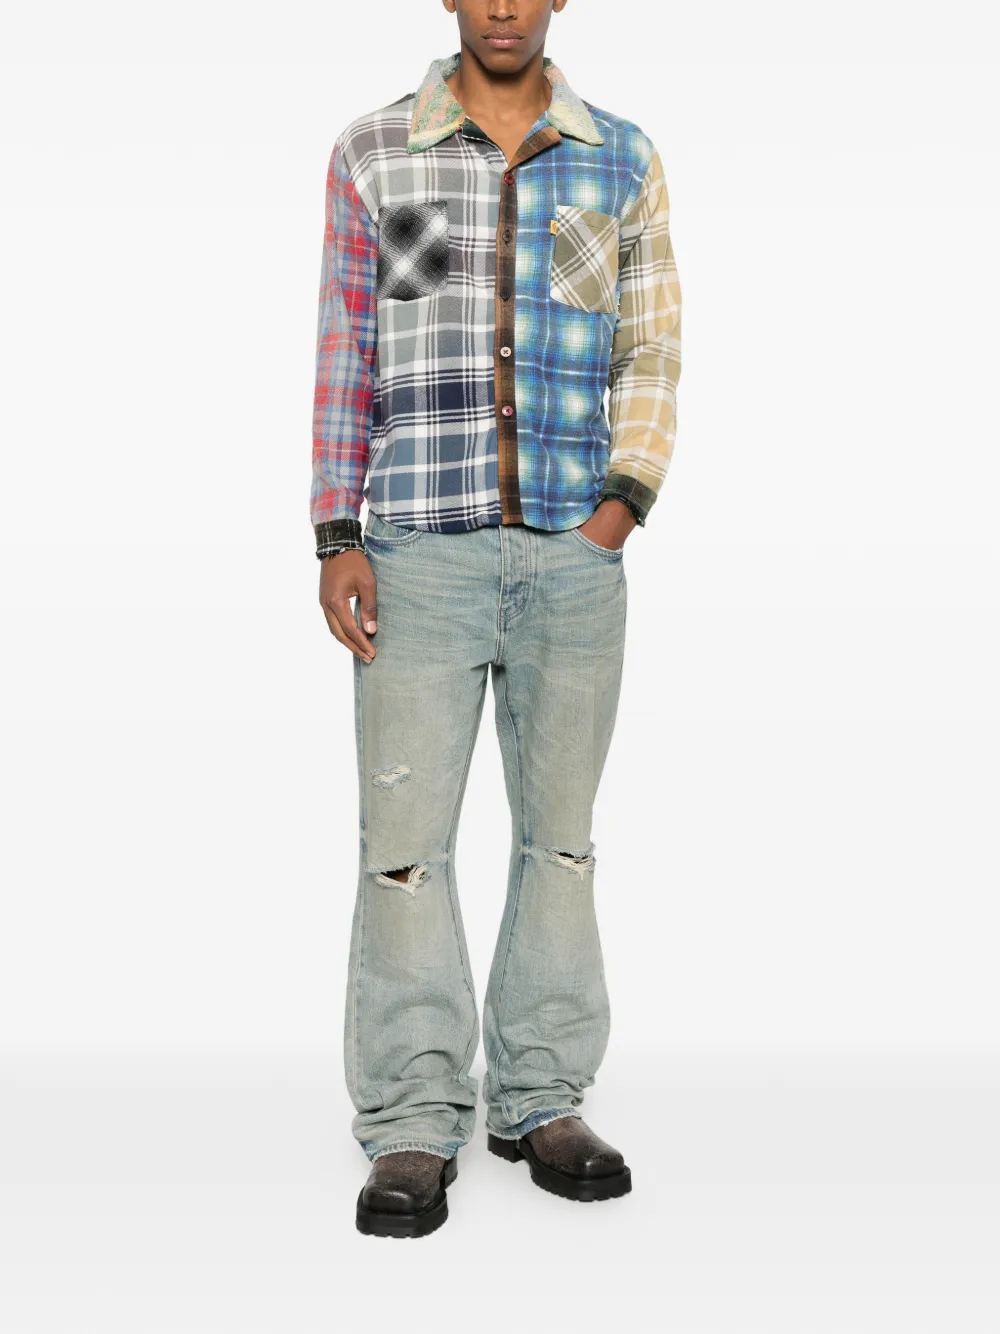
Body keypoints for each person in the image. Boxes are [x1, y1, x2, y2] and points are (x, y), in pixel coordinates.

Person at [312, 0, 681, 1239]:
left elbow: (650, 347)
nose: (505, 5)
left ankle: (541, 1095)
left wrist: (618, 508)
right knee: (403, 847)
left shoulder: (621, 157)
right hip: (419, 551)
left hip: (575, 552)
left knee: (560, 840)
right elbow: (350, 348)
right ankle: (413, 1114)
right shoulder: (376, 152)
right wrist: (337, 529)